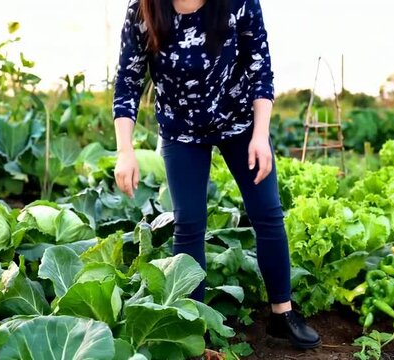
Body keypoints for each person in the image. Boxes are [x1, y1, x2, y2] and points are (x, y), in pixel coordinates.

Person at [112, 0, 321, 350]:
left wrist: (260, 135)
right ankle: (194, 325)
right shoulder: (142, 10)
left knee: (267, 213)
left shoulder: (238, 3)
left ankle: (281, 314)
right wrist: (125, 150)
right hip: (181, 133)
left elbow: (260, 68)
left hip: (240, 124)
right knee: (190, 223)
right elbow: (129, 82)